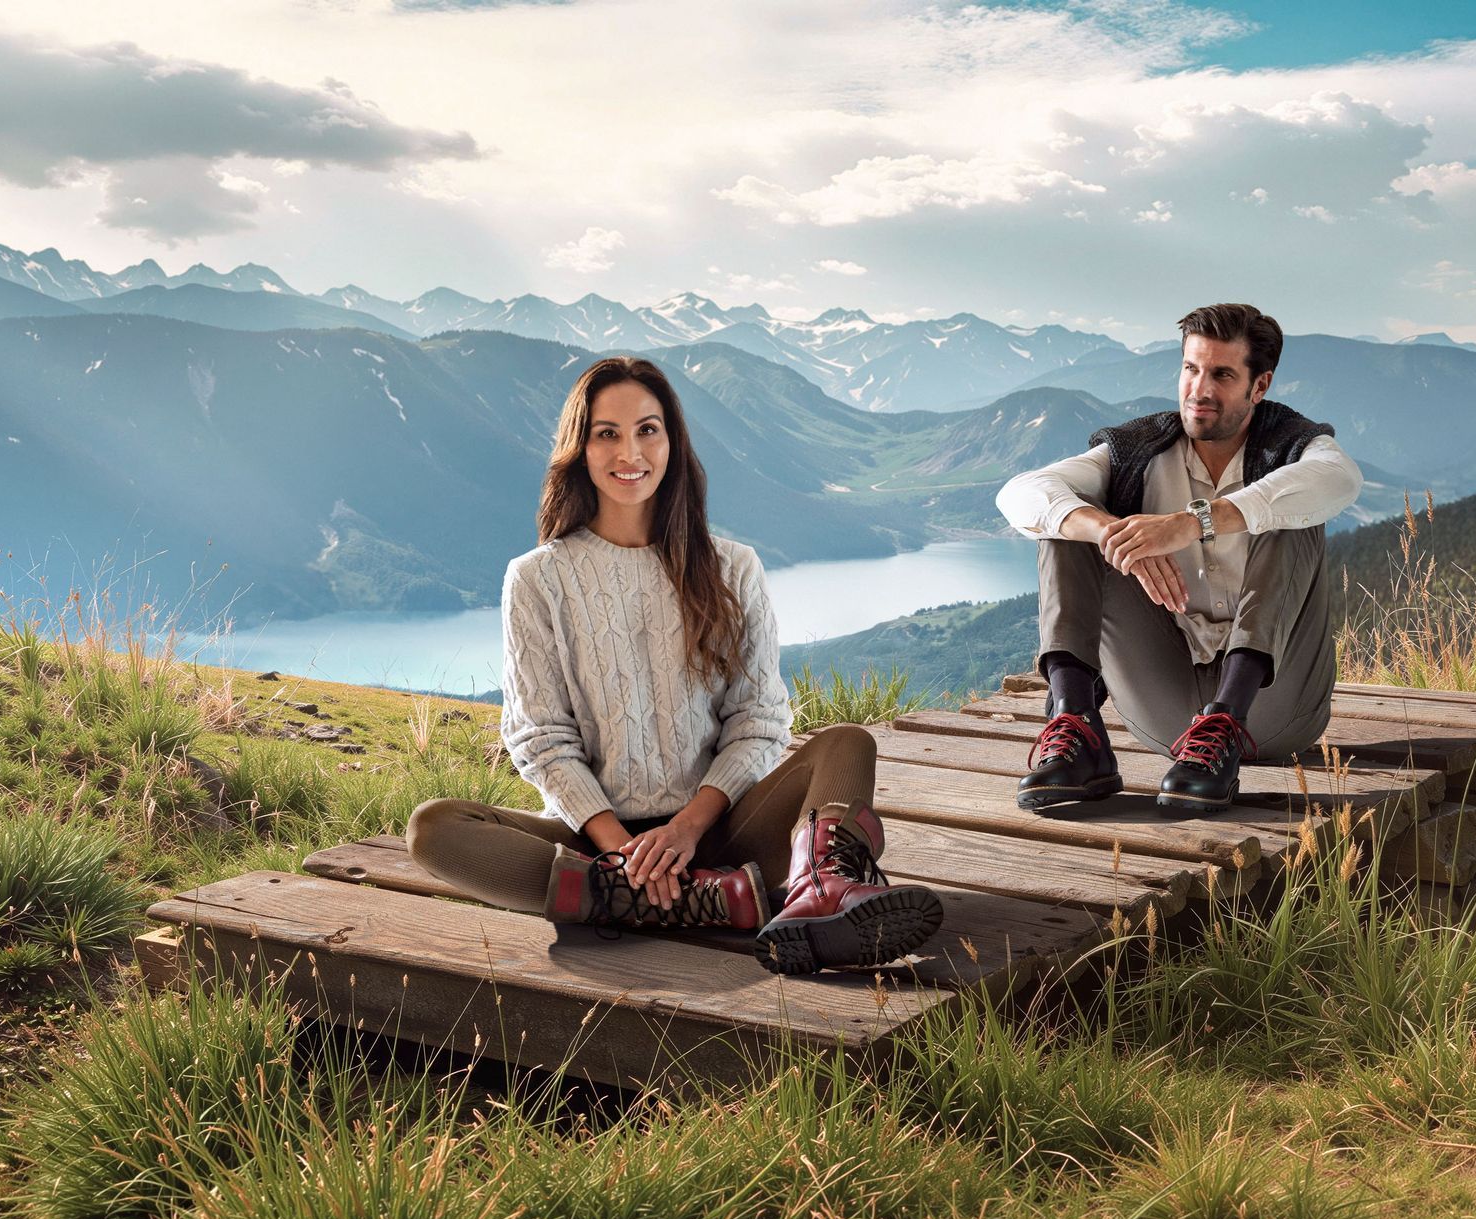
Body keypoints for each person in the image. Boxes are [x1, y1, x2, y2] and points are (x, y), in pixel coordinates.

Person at [405, 355, 942, 975]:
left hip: (723, 832)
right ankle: (721, 902)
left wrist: (688, 828)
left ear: (672, 441)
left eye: (647, 430)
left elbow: (759, 723)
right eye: (606, 433)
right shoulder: (538, 578)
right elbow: (542, 738)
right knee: (434, 827)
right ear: (580, 449)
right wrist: (623, 853)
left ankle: (814, 891)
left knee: (846, 745)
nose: (628, 451)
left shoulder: (733, 568)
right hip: (596, 843)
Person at [994, 303, 1363, 812]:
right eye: (1191, 369)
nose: (1200, 390)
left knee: (1288, 510)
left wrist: (1193, 522)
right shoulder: (1139, 451)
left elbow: (1340, 479)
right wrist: (1109, 533)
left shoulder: (1294, 446)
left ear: (1260, 386)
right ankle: (1079, 731)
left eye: (1222, 375)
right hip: (1164, 703)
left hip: (1275, 711)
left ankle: (1226, 724)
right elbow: (1022, 493)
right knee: (1065, 520)